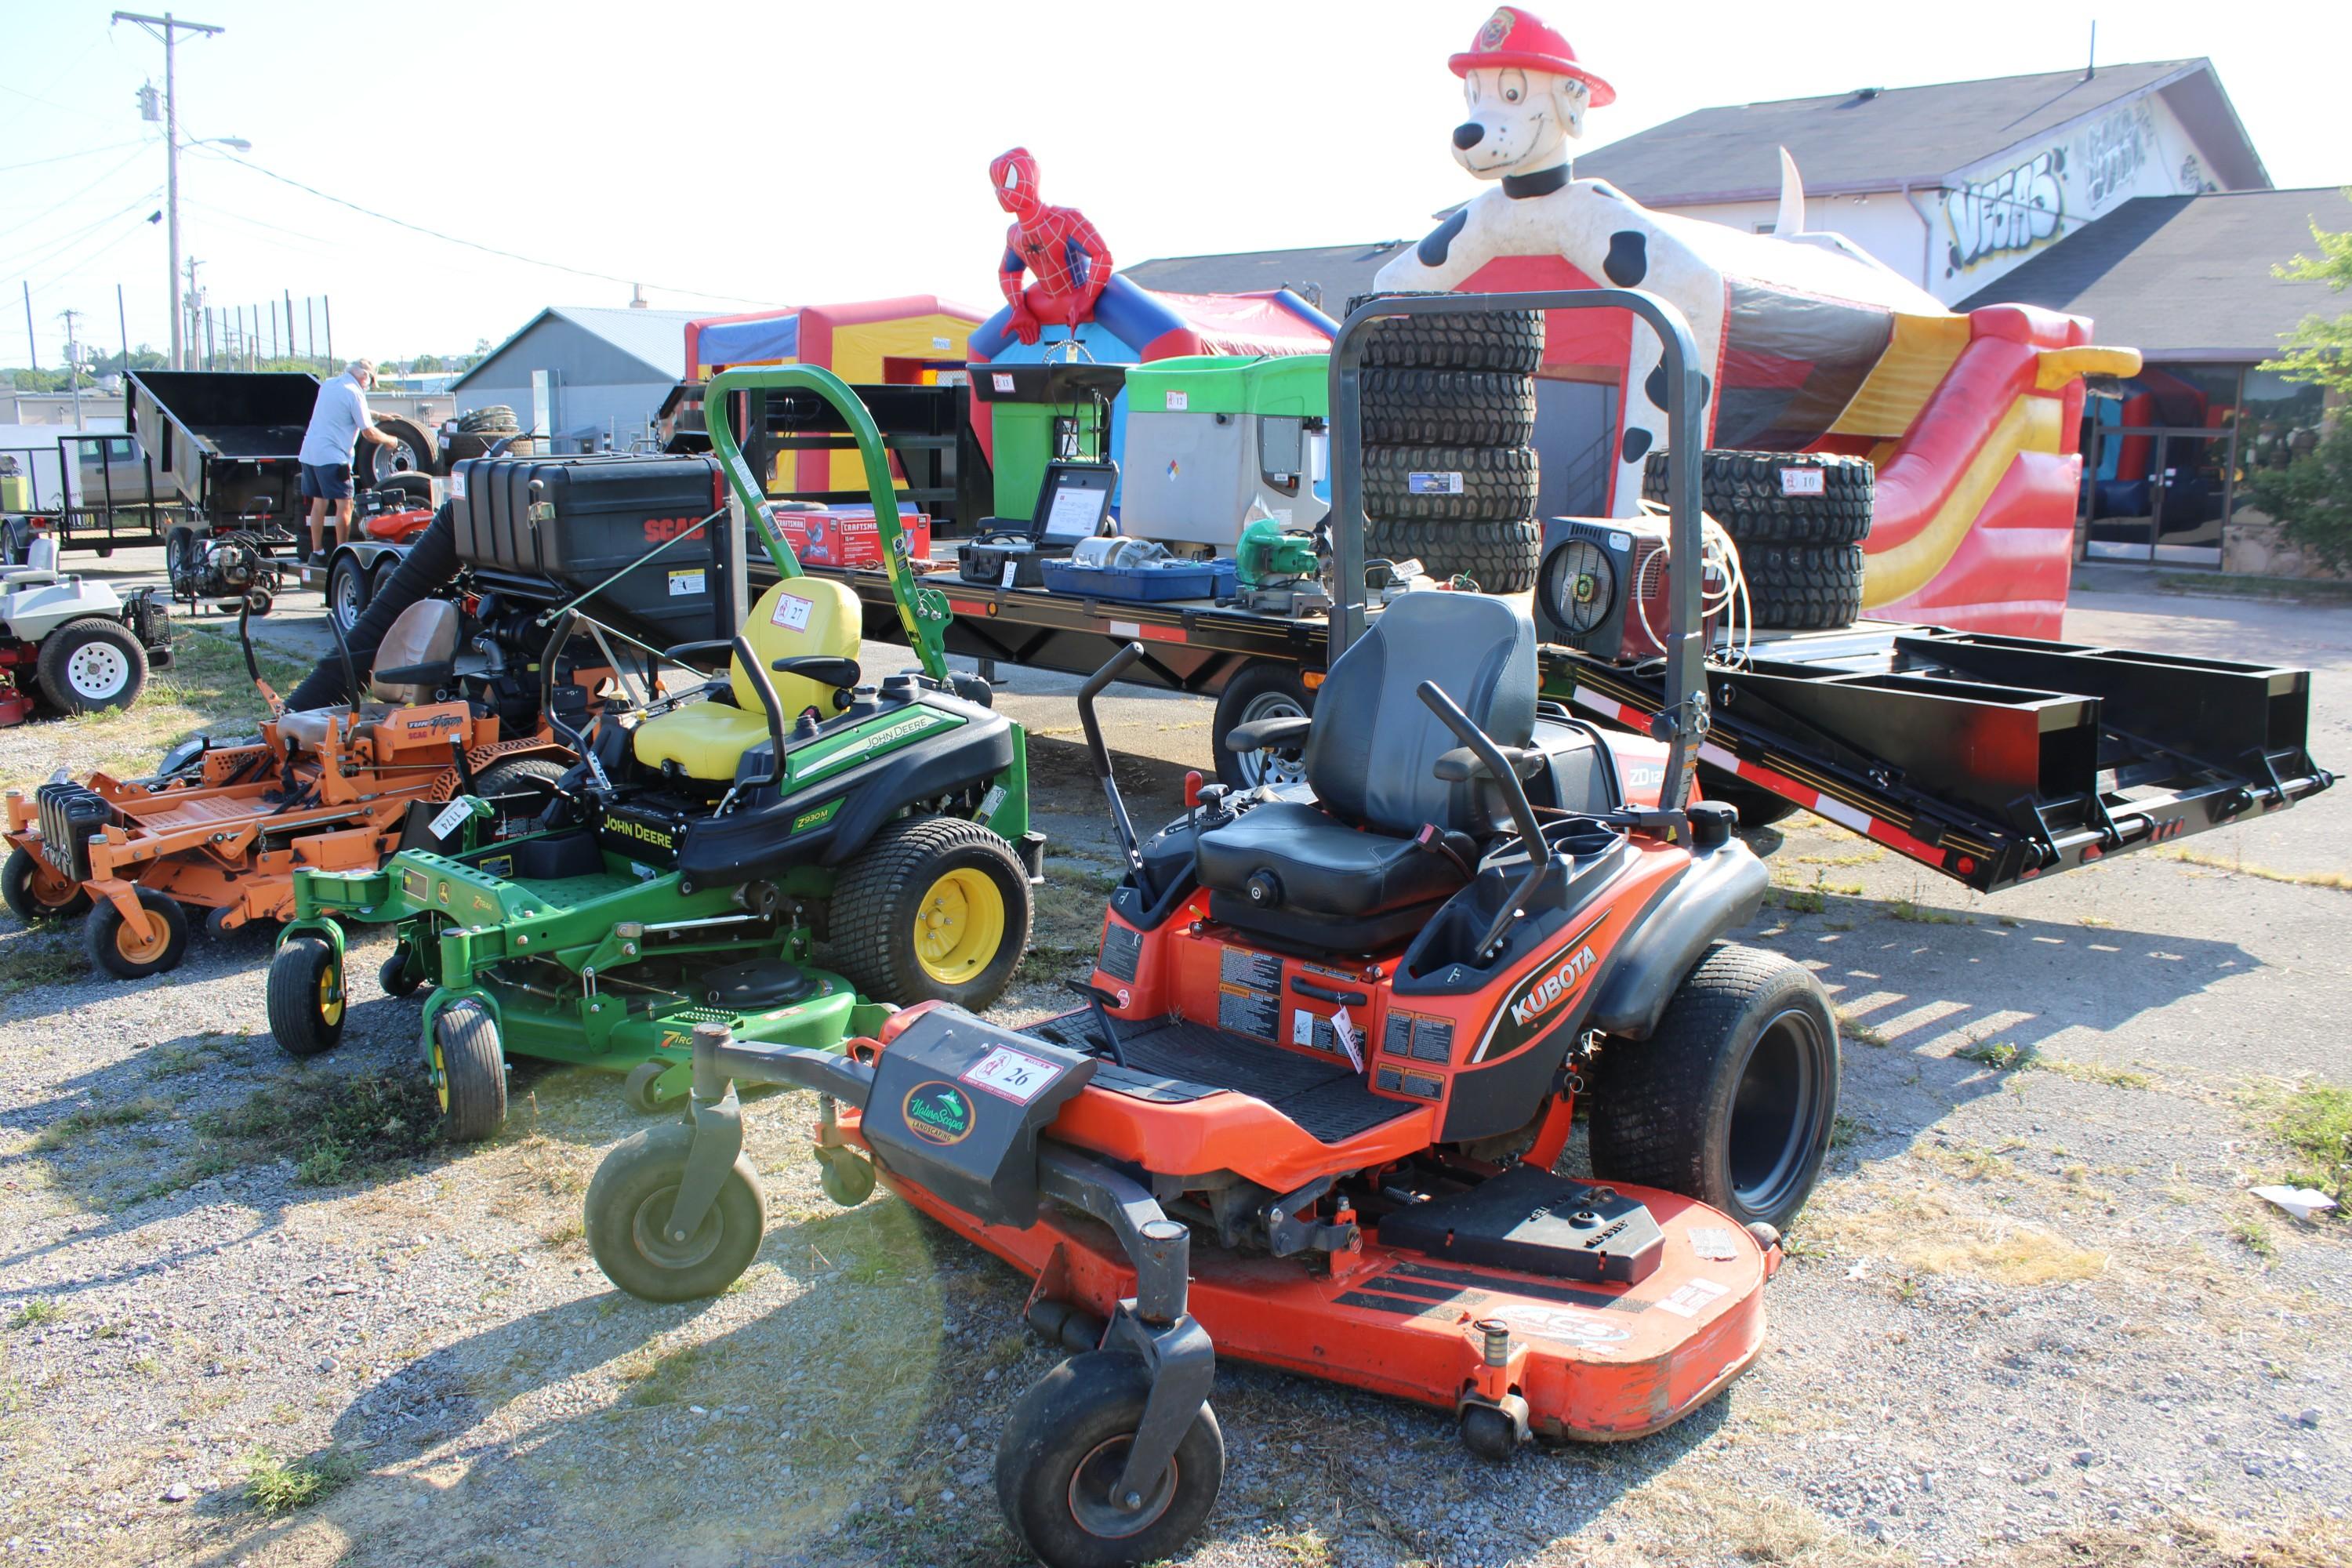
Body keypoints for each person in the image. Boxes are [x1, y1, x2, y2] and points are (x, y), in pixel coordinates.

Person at [297, 358, 400, 559]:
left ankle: (316, 553)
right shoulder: (355, 393)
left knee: (319, 503)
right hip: (333, 457)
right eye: (370, 383)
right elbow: (369, 433)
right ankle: (341, 555)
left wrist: (379, 415)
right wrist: (390, 440)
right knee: (345, 505)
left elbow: (347, 409)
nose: (368, 387)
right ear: (364, 377)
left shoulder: (329, 384)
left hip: (310, 453)